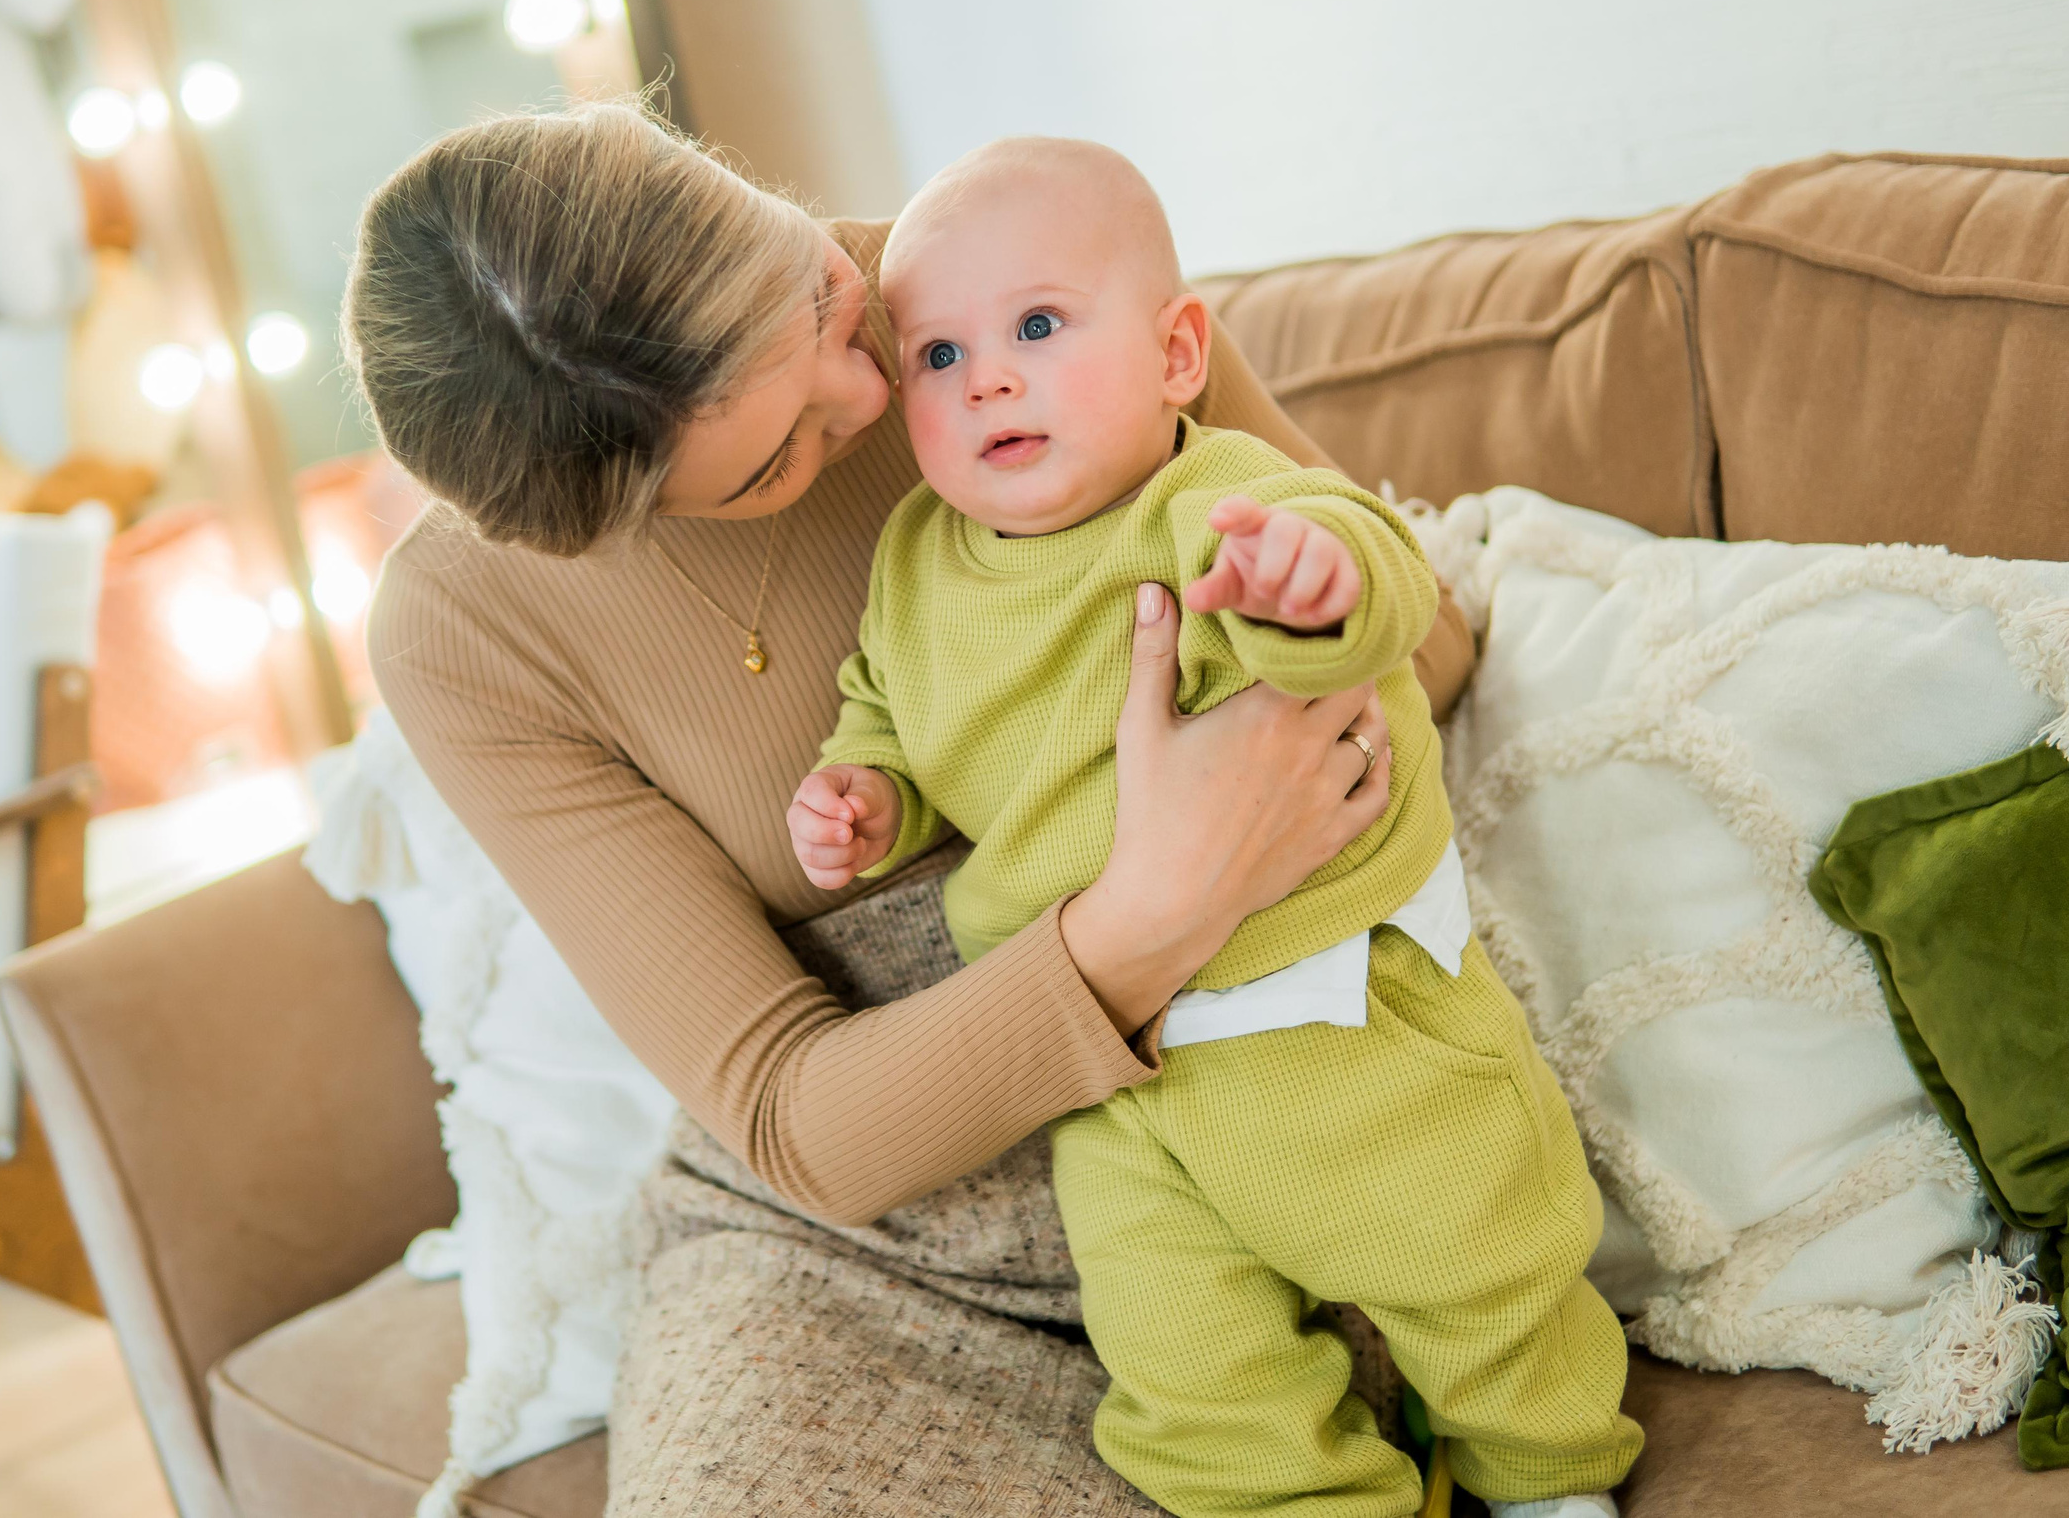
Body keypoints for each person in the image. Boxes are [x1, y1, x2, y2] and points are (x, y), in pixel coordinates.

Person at [348, 100, 1474, 1515]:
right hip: (875, 1215)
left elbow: (1425, 644)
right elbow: (793, 1119)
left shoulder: (1003, 282)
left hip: (1246, 1076)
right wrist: (1157, 906)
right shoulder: (463, 634)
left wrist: (1303, 614)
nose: (884, 393)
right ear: (612, 527)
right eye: (770, 466)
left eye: (819, 293)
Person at [787, 138, 1640, 1518]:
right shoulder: (912, 565)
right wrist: (864, 797)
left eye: (1040, 327)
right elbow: (883, 708)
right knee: (1187, 1376)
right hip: (1112, 1073)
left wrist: (1310, 589)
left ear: (1179, 354)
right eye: (937, 356)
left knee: (1478, 1267)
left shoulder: (1217, 500)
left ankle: (1549, 1476)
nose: (987, 377)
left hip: (1336, 1017)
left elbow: (1374, 579)